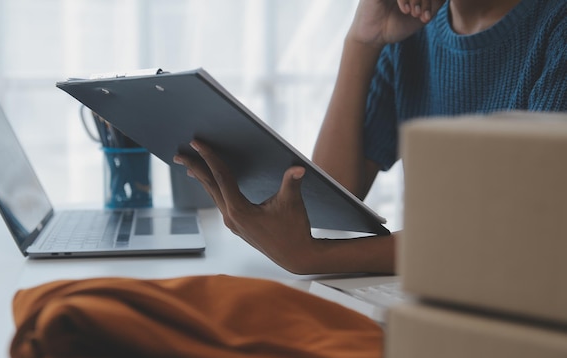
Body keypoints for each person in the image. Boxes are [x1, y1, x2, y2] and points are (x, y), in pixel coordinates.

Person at [174, 0, 567, 275]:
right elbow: (330, 197)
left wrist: (314, 256)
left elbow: (517, 241)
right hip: (432, 285)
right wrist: (362, 42)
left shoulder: (555, 27)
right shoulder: (413, 35)